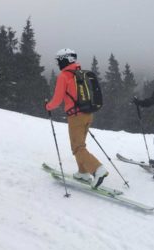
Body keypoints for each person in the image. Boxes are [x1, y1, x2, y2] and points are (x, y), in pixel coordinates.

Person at [46, 48, 108, 188]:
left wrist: (47, 107)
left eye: (59, 60)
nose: (58, 63)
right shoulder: (80, 73)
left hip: (76, 117)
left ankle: (98, 169)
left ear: (65, 60)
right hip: (88, 114)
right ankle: (83, 173)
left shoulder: (65, 76)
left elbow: (57, 100)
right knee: (80, 145)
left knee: (77, 147)